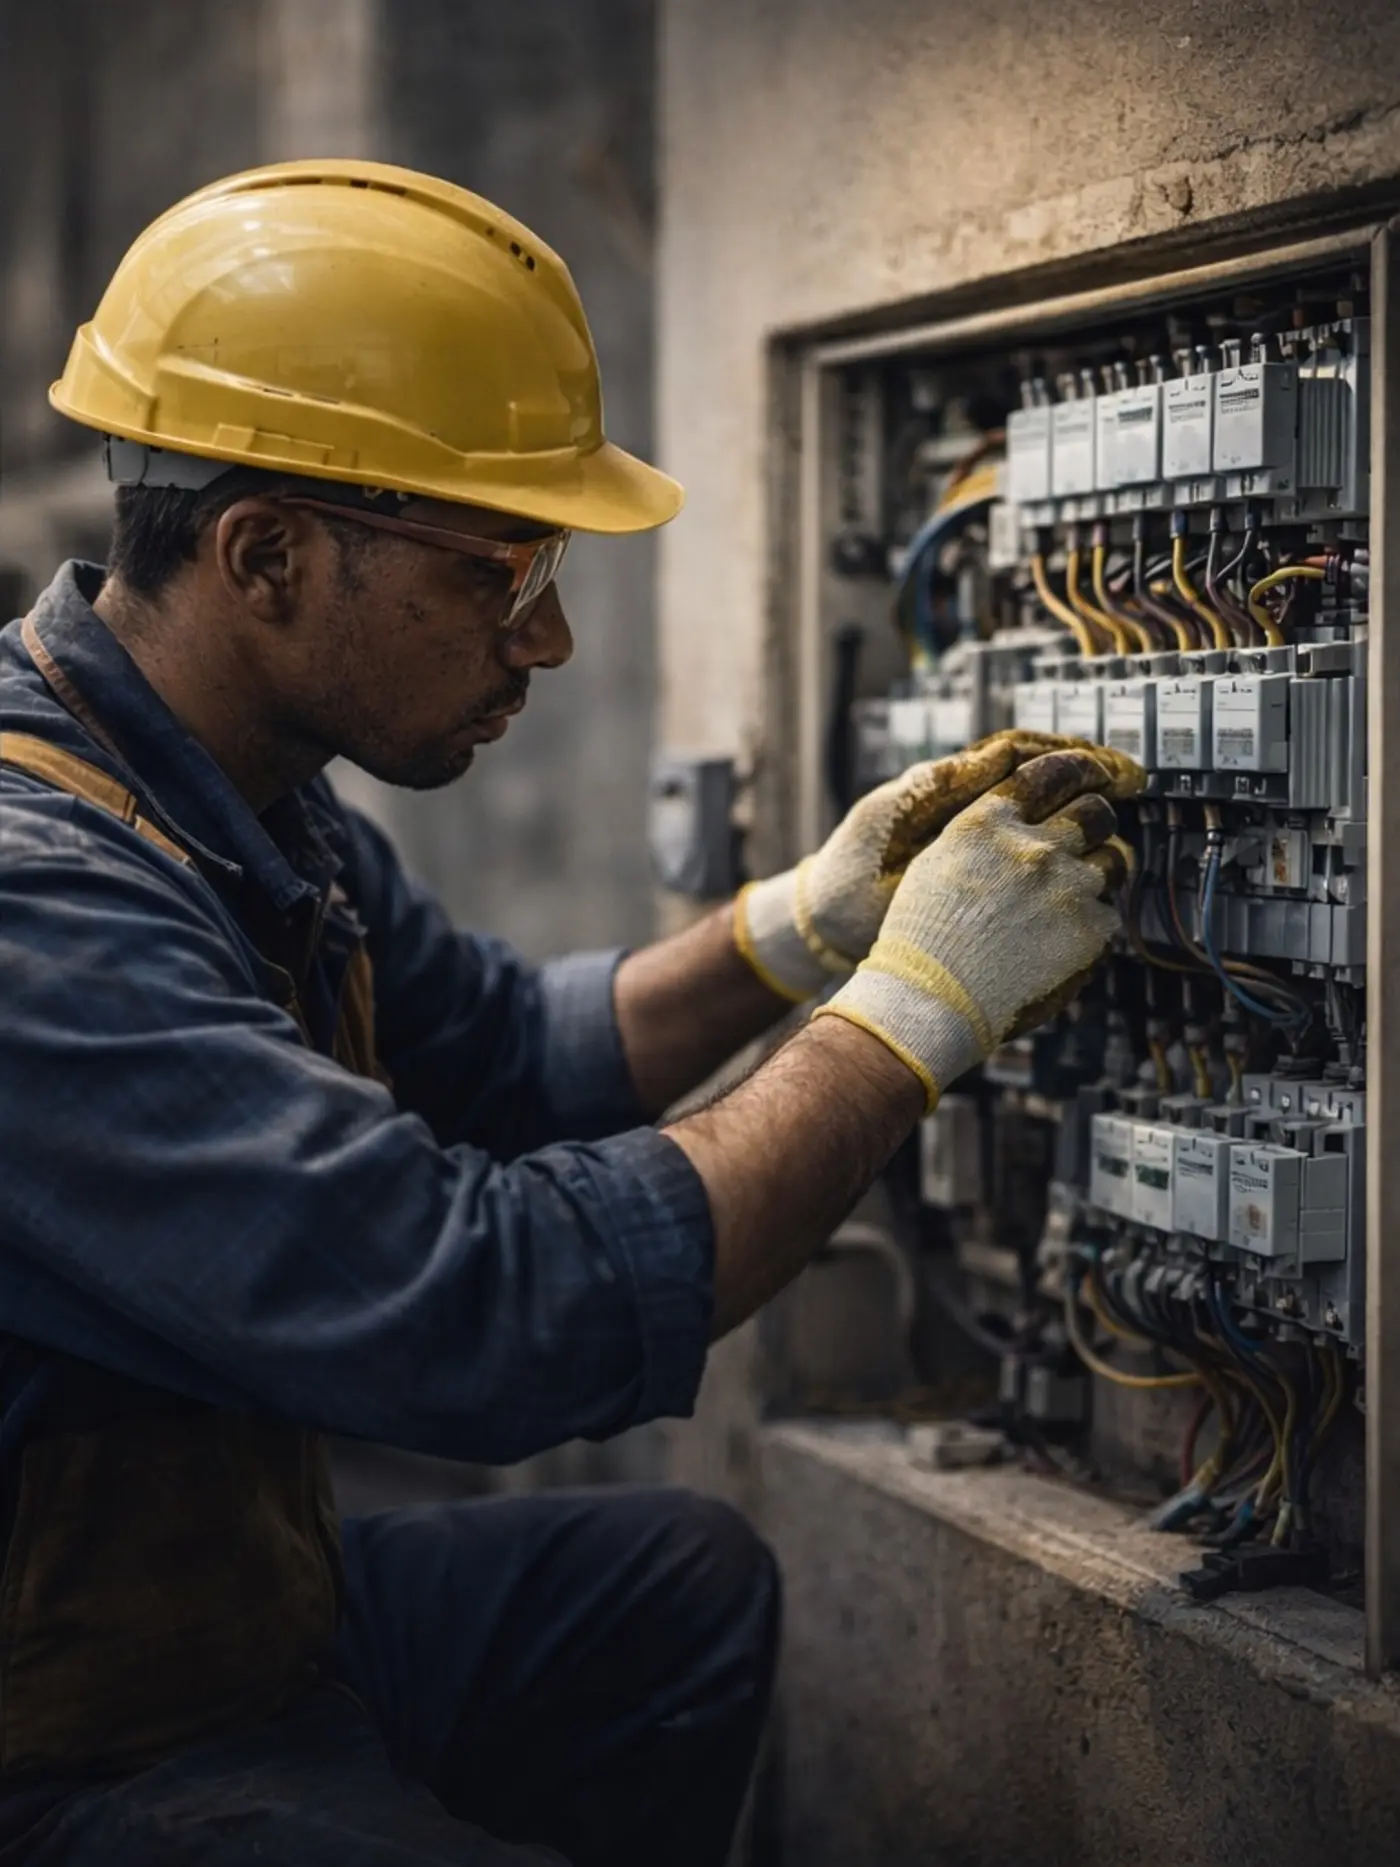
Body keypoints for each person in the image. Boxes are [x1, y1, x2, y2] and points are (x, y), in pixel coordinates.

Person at [0, 160, 1141, 1865]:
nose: (549, 639)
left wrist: (798, 928)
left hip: (225, 1617)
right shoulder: (42, 907)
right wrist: (911, 1020)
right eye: (500, 566)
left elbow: (501, 1052)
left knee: (671, 1585)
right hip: (61, 1733)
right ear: (267, 556)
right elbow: (475, 1309)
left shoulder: (236, 793)